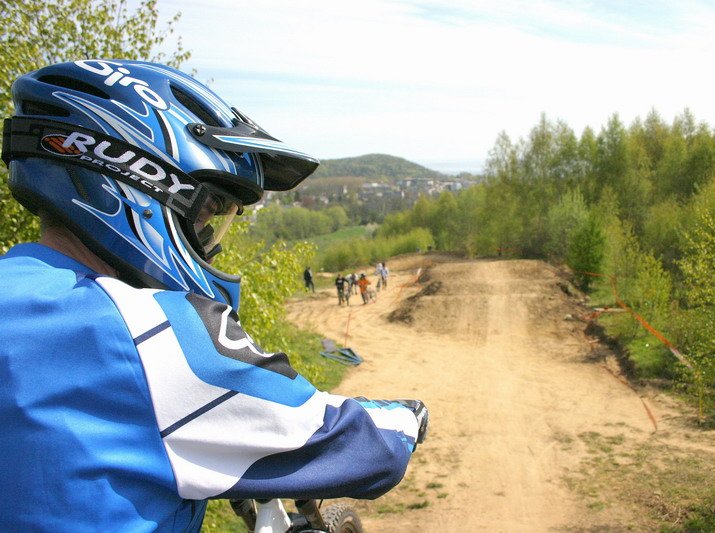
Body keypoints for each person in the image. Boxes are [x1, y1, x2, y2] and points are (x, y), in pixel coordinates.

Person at [0, 59, 427, 531]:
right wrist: (407, 418)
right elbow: (351, 444)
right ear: (144, 180)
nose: (210, 239)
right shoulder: (146, 330)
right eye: (211, 210)